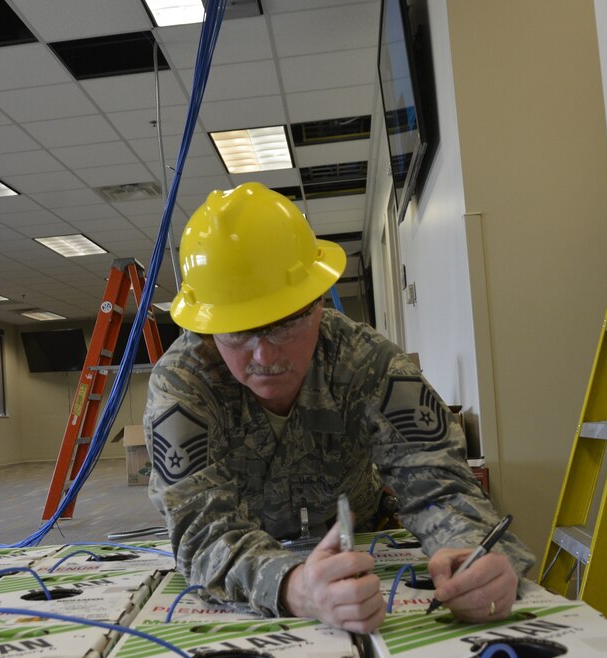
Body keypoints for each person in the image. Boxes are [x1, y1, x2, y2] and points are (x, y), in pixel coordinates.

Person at [144, 182, 534, 633]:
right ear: (209, 328)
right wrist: (293, 586)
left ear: (316, 305)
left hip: (362, 537)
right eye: (237, 332)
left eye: (285, 323)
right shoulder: (183, 383)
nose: (265, 357)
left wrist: (469, 551)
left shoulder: (364, 360)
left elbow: (440, 485)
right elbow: (202, 528)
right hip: (249, 558)